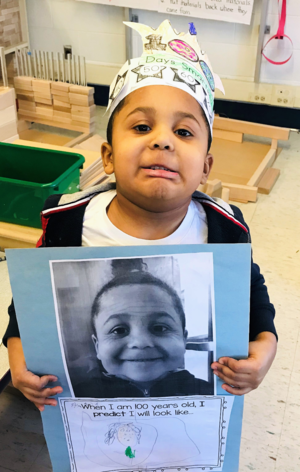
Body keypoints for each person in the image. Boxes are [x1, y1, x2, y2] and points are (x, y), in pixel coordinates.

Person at [3, 20, 277, 411]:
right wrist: (17, 354)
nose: (162, 139)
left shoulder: (224, 229)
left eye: (184, 133)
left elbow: (253, 297)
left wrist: (265, 347)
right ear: (109, 156)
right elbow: (28, 303)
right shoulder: (67, 222)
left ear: (206, 167)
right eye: (142, 126)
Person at [73, 258, 214, 397]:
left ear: (184, 339)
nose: (141, 343)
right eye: (119, 330)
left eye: (160, 328)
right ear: (97, 346)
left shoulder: (207, 392)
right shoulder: (76, 394)